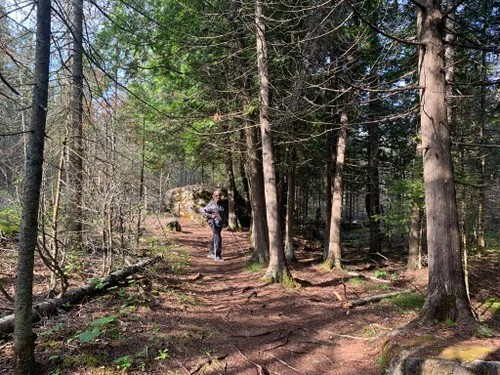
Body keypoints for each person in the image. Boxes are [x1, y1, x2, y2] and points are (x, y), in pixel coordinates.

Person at [200, 190, 225, 261]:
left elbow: (222, 213)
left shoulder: (221, 204)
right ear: (214, 196)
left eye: (219, 195)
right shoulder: (211, 204)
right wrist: (210, 215)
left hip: (220, 223)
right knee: (218, 237)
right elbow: (202, 210)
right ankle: (217, 256)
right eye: (217, 195)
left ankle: (211, 253)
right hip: (213, 223)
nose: (218, 197)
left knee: (215, 236)